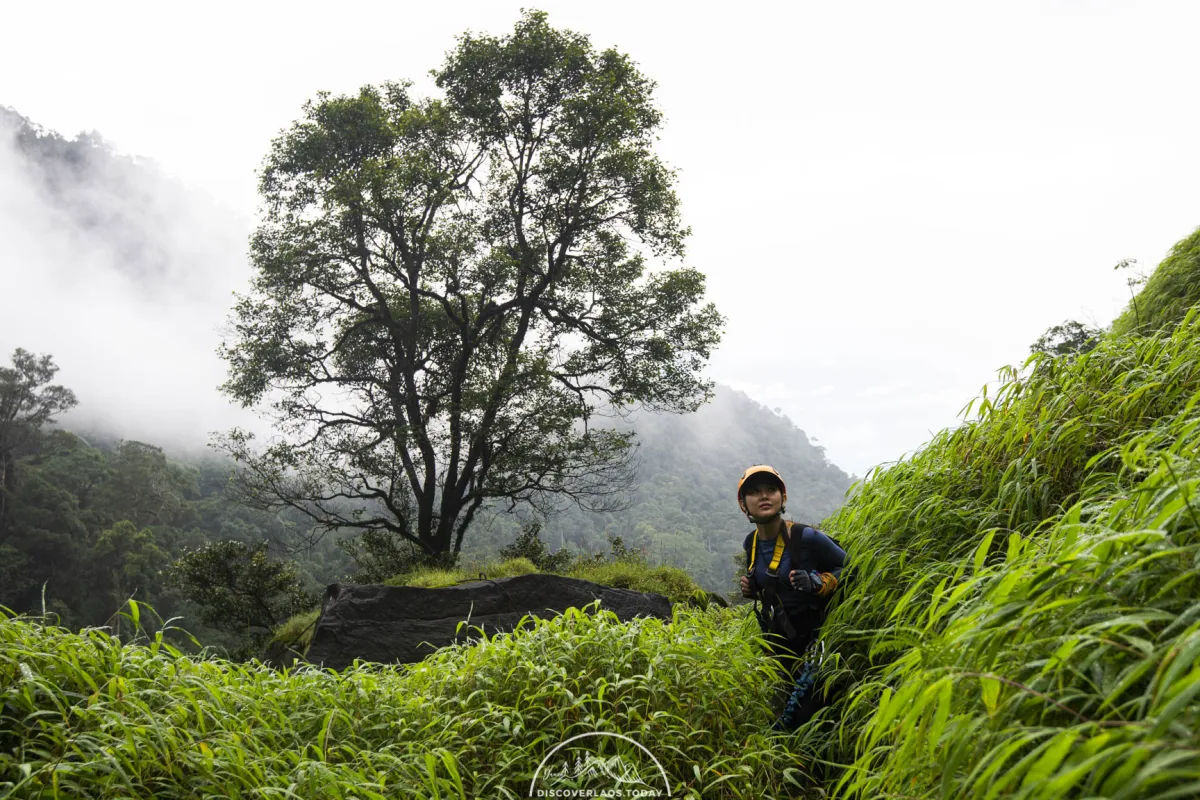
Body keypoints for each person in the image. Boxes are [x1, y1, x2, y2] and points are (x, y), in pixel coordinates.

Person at [736, 464, 846, 731]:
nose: (764, 496)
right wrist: (753, 589)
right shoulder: (750, 543)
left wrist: (820, 582)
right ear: (744, 505)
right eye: (755, 492)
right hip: (780, 652)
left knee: (807, 723)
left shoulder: (804, 536)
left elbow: (852, 565)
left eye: (771, 490)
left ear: (782, 498)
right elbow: (771, 584)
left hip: (815, 649)